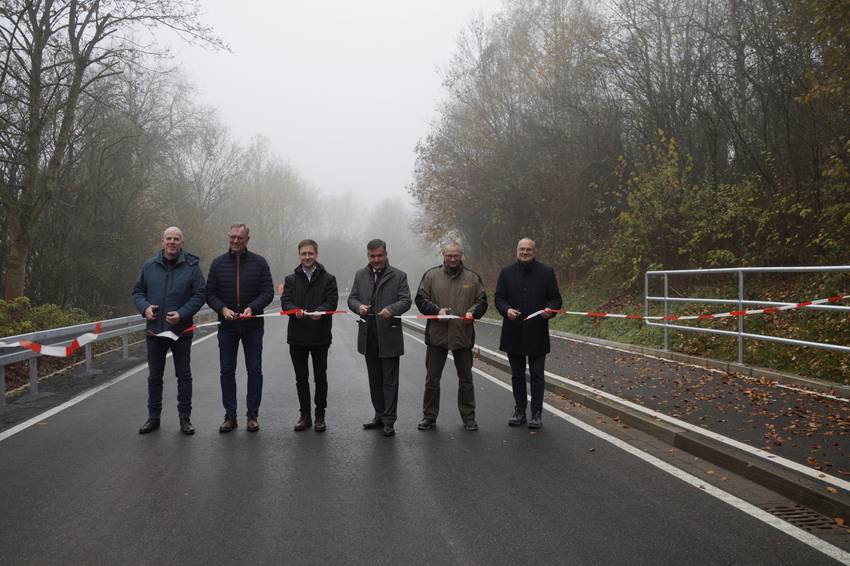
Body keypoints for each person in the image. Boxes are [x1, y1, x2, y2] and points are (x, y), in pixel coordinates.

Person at [132, 226, 206, 435]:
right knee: (155, 376)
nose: (172, 242)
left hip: (181, 330)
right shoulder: (149, 266)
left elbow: (200, 294)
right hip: (155, 331)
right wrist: (144, 307)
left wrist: (182, 313)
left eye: (176, 239)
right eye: (168, 239)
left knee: (184, 376)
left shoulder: (192, 267)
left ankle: (185, 418)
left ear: (182, 243)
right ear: (162, 241)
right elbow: (137, 292)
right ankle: (153, 417)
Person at [206, 223, 274, 433]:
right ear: (229, 237)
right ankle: (230, 416)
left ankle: (252, 415)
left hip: (252, 326)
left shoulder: (259, 263)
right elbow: (209, 294)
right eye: (232, 237)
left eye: (240, 238)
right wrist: (222, 309)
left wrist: (252, 308)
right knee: (227, 371)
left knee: (254, 371)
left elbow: (268, 292)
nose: (235, 241)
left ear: (247, 240)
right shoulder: (218, 264)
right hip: (227, 327)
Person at [414, 243, 487, 431]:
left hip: (462, 335)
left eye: (456, 255)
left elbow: (482, 301)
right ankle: (429, 417)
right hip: (437, 336)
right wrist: (436, 311)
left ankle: (469, 418)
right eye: (449, 256)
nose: (452, 259)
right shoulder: (431, 275)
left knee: (466, 380)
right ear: (443, 255)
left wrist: (474, 313)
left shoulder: (472, 277)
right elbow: (420, 300)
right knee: (432, 380)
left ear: (461, 255)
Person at [494, 238, 563, 429]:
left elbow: (556, 299)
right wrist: (506, 310)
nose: (524, 252)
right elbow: (499, 297)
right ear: (516, 250)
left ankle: (537, 414)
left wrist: (550, 310)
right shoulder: (506, 272)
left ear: (535, 252)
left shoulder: (546, 272)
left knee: (537, 375)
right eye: (521, 249)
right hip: (513, 332)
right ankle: (519, 411)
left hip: (537, 332)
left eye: (528, 249)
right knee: (517, 375)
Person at [348, 239, 411, 437]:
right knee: (374, 379)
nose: (376, 260)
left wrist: (391, 310)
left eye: (379, 256)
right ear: (368, 256)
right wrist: (359, 307)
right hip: (368, 336)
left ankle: (389, 421)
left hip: (389, 335)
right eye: (372, 256)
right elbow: (352, 298)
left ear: (386, 254)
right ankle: (379, 415)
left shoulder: (399, 275)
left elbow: (406, 300)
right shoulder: (360, 274)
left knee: (389, 380)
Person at [281, 239, 338, 432]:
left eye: (310, 253)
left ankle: (320, 415)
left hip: (320, 336)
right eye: (303, 254)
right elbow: (285, 302)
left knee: (320, 378)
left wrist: (320, 311)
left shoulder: (329, 279)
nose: (307, 257)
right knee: (301, 378)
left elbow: (332, 302)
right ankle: (304, 415)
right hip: (297, 337)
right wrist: (294, 310)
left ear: (316, 254)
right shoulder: (290, 279)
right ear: (299, 255)